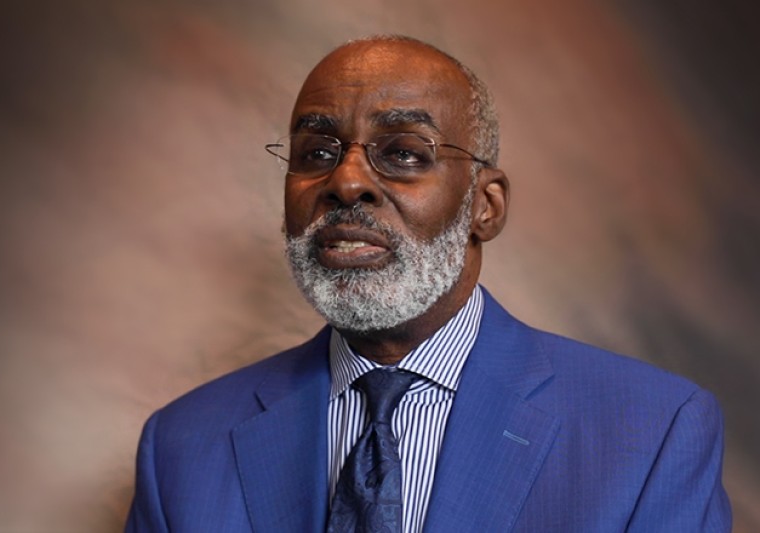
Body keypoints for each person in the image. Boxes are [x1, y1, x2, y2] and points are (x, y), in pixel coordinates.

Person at [125, 35, 731, 532]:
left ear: (484, 207)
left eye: (404, 152)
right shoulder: (180, 447)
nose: (347, 181)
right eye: (315, 152)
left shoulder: (652, 431)